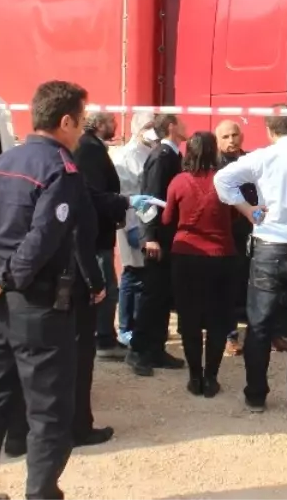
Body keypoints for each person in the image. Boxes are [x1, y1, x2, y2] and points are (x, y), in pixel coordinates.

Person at [0, 80, 105, 500]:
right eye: (80, 122)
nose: (81, 132)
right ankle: (42, 493)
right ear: (65, 121)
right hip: (38, 304)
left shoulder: (4, 161)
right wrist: (2, 279)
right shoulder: (62, 169)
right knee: (49, 409)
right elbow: (42, 239)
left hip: (1, 303)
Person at [214, 107, 287, 413]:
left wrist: (247, 209)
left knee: (259, 324)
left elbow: (222, 179)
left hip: (268, 244)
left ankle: (256, 394)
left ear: (271, 131)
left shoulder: (262, 156)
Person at [162, 131, 237, 396]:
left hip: (186, 257)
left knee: (190, 318)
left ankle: (195, 377)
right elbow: (237, 216)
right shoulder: (224, 181)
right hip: (221, 256)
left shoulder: (178, 182)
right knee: (218, 319)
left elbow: (167, 218)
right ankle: (211, 378)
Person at [127, 113, 189, 377]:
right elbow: (149, 199)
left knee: (163, 296)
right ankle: (138, 350)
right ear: (172, 127)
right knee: (152, 296)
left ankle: (156, 348)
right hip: (158, 238)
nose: (186, 127)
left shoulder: (172, 155)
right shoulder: (162, 156)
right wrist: (149, 236)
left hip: (168, 237)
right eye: (182, 123)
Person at [75, 112, 128, 360]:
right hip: (97, 234)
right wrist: (121, 204)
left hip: (100, 231)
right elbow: (95, 194)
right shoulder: (90, 150)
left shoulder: (93, 147)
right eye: (111, 121)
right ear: (98, 124)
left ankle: (103, 336)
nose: (115, 125)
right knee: (106, 288)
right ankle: (104, 338)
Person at [111, 112, 156, 348]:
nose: (152, 130)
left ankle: (139, 324)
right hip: (131, 219)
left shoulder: (149, 151)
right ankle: (126, 327)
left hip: (146, 220)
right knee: (131, 273)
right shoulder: (126, 156)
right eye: (148, 126)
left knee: (143, 275)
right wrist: (130, 226)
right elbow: (124, 193)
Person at [216, 119, 256, 356]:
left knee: (256, 286)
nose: (231, 141)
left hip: (255, 232)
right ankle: (229, 335)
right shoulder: (214, 165)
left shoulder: (251, 160)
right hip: (228, 234)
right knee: (228, 288)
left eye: (234, 135)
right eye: (225, 137)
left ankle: (265, 334)